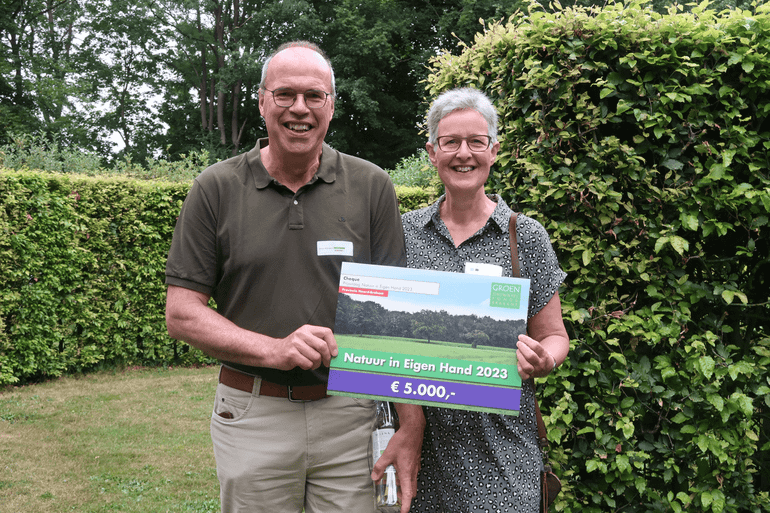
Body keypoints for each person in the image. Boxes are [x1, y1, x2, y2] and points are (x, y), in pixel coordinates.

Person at [164, 41, 423, 513]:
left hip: (349, 415)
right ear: (262, 102)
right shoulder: (215, 188)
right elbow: (182, 314)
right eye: (284, 94)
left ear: (331, 105)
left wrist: (410, 426)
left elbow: (394, 321)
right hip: (252, 411)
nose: (299, 108)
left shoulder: (371, 186)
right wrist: (275, 349)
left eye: (313, 95)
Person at [400, 87, 570, 512]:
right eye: (450, 142)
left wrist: (543, 359)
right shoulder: (404, 234)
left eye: (476, 142)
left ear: (494, 150)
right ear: (431, 152)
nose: (464, 153)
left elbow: (554, 336)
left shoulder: (524, 235)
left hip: (503, 451)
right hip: (422, 449)